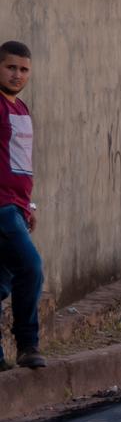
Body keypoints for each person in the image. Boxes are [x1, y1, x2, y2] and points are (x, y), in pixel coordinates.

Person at [0, 41, 45, 370]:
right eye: (10, 67)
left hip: (16, 206)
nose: (17, 74)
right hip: (0, 207)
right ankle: (28, 344)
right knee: (30, 267)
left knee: (1, 282)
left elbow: (21, 161)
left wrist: (29, 204)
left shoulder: (22, 108)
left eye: (24, 69)